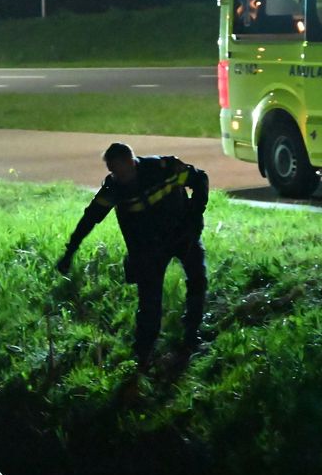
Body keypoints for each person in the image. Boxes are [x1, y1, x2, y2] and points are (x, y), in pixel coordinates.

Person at [56, 143, 209, 365]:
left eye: (119, 170)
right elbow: (90, 218)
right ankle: (143, 355)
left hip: (181, 236)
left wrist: (194, 219)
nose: (116, 175)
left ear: (131, 161)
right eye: (112, 171)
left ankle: (192, 334)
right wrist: (70, 251)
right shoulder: (114, 189)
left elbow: (200, 179)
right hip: (148, 250)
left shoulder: (163, 168)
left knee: (197, 279)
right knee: (149, 304)